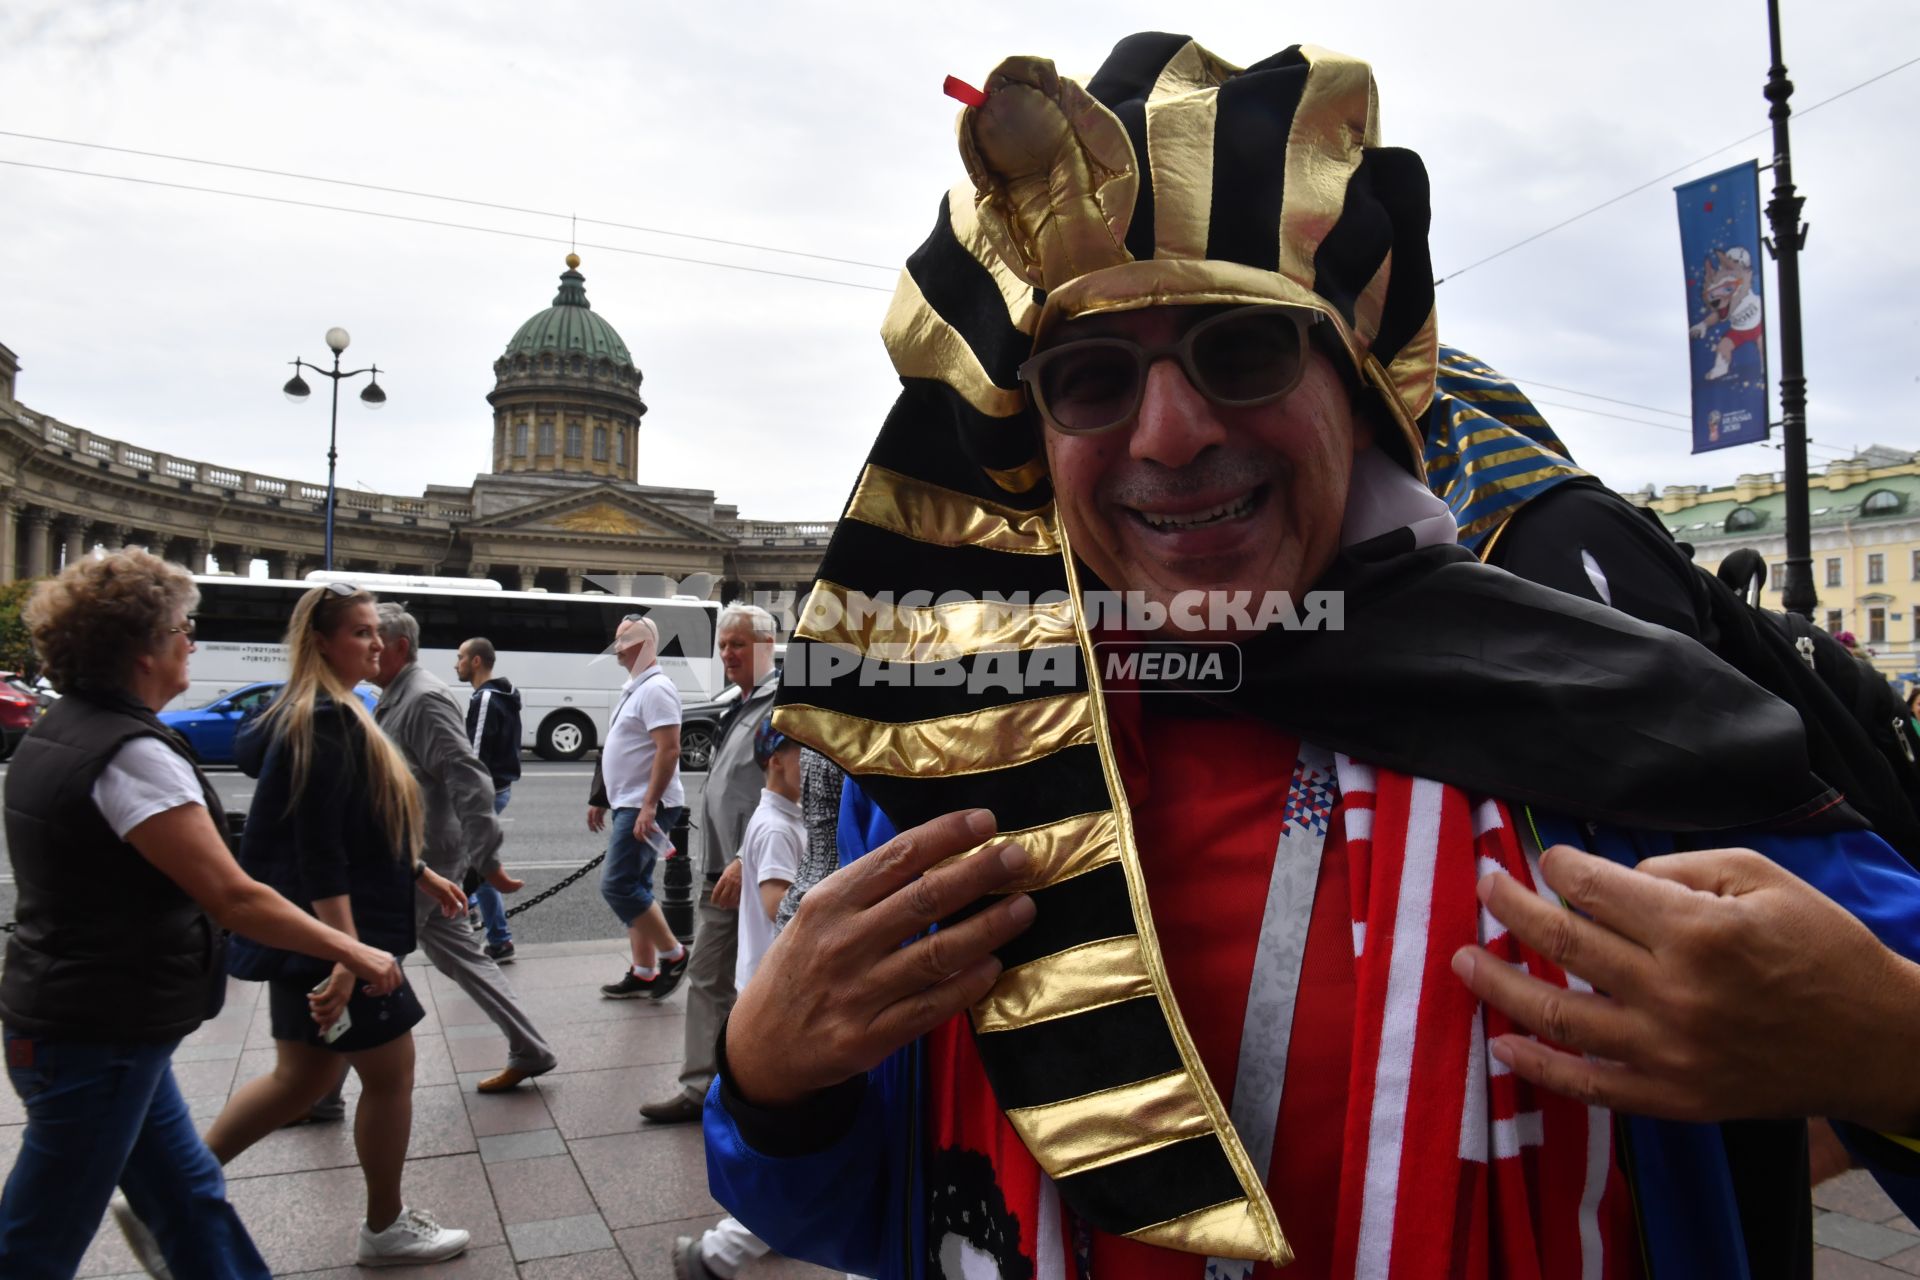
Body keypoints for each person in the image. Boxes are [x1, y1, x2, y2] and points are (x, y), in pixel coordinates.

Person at [705, 36, 1920, 1280]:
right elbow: (889, 1217)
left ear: (1358, 389)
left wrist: (1891, 1045)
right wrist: (772, 1077)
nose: (1170, 436)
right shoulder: (949, 755)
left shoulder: (1616, 725)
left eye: (1242, 350)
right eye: (1091, 378)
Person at [0, 551, 405, 1279]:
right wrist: (355, 952)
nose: (192, 640)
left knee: (190, 1202)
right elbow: (233, 895)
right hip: (98, 1029)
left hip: (93, 1017)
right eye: (183, 627)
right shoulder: (133, 756)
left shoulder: (60, 732)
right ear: (144, 646)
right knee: (34, 1244)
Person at [202, 583, 473, 1267]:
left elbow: (357, 825)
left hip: (320, 934)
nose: (375, 643)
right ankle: (384, 1227)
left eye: (376, 632)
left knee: (301, 1077)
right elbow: (320, 854)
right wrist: (348, 958)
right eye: (359, 632)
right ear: (319, 640)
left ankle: (171, 1187)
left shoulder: (328, 710)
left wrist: (419, 872)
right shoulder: (323, 720)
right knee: (388, 1075)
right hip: (336, 937)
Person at [375, 604, 557, 1092]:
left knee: (373, 958)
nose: (367, 648)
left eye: (372, 637)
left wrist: (487, 856)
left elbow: (468, 775)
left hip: (427, 853)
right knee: (463, 956)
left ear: (397, 647)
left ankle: (317, 1086)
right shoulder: (398, 695)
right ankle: (532, 1048)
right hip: (424, 848)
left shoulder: (422, 698)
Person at [637, 602, 778, 1124]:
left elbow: (786, 791)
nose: (727, 654)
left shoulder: (779, 704)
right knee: (718, 977)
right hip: (721, 867)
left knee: (726, 977)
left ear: (766, 645)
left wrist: (743, 857)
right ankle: (717, 1085)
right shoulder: (740, 704)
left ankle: (715, 1087)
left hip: (752, 871)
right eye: (722, 645)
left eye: (737, 644)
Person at [674, 716, 804, 1280]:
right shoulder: (777, 827)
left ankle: (735, 1244)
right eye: (809, 758)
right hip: (783, 999)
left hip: (779, 995)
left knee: (804, 1138)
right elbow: (781, 906)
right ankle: (723, 1251)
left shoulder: (783, 818)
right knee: (802, 1141)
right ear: (776, 759)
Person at [587, 614, 692, 1000]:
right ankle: (645, 970)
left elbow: (669, 749)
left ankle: (674, 954)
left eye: (624, 639)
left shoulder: (657, 689)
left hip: (645, 804)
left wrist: (649, 805)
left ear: (645, 644)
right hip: (628, 802)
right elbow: (622, 746)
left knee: (617, 884)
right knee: (636, 884)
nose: (617, 646)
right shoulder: (634, 687)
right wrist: (602, 798)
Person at [458, 635, 524, 962]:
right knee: (474, 861)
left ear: (476, 661)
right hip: (498, 788)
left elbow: (475, 752)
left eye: (460, 657)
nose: (455, 663)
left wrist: (464, 795)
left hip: (485, 792)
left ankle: (495, 935)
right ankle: (493, 933)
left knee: (474, 863)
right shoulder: (503, 695)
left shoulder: (485, 699)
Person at [773, 746, 845, 933]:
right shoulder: (775, 829)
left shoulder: (815, 740)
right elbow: (771, 902)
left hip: (807, 902)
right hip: (827, 906)